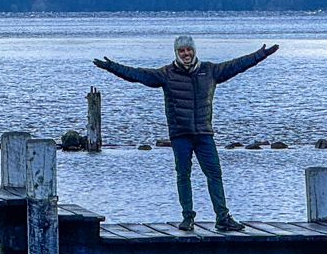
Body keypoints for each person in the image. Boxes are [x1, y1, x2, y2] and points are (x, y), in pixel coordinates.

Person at [94, 35, 278, 232]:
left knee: (215, 174)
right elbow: (137, 75)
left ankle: (223, 217)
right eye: (182, 51)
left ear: (194, 51)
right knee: (184, 175)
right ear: (176, 53)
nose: (186, 54)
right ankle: (188, 217)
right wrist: (111, 66)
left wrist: (261, 54)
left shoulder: (210, 71)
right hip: (180, 134)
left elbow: (238, 65)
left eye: (188, 50)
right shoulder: (166, 74)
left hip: (204, 134)